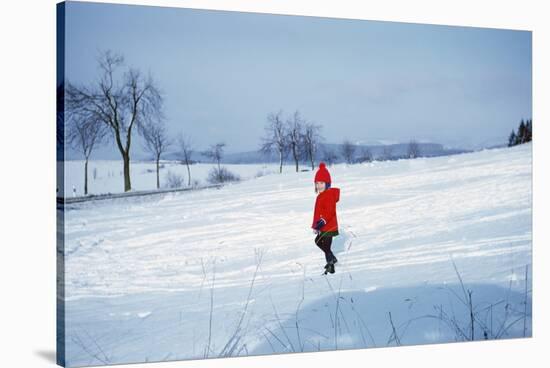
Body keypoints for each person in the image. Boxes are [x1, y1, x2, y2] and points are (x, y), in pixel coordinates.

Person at [311, 162, 340, 274]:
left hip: (329, 226)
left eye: (322, 183)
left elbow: (330, 211)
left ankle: (331, 266)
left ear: (327, 183)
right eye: (317, 183)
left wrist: (322, 222)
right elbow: (317, 213)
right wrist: (316, 226)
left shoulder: (328, 195)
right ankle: (332, 258)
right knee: (318, 241)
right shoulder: (320, 196)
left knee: (326, 246)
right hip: (322, 226)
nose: (319, 186)